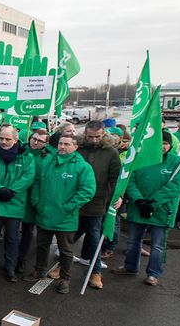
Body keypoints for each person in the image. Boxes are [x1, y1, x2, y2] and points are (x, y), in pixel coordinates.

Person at [112, 131, 180, 286]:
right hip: (138, 207)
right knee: (133, 241)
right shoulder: (139, 159)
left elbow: (175, 187)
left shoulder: (179, 163)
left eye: (165, 143)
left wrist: (153, 202)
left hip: (161, 209)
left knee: (158, 245)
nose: (162, 147)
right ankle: (130, 266)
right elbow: (130, 180)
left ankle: (153, 273)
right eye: (158, 143)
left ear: (170, 145)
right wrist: (140, 200)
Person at [24, 135, 96, 294]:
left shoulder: (82, 167)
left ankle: (65, 279)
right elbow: (36, 182)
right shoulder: (47, 161)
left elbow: (87, 191)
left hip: (65, 217)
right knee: (42, 245)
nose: (62, 147)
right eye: (61, 144)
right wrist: (37, 202)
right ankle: (39, 270)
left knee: (66, 250)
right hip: (44, 213)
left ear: (75, 147)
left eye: (67, 144)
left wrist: (68, 207)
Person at [0, 125, 35, 282]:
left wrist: (10, 190)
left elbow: (28, 177)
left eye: (7, 139)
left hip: (15, 203)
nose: (3, 142)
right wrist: (0, 189)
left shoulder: (26, 157)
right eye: (1, 138)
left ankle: (10, 267)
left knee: (12, 238)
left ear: (16, 139)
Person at [75, 121, 121, 290]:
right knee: (68, 237)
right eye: (90, 137)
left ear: (103, 135)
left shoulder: (111, 152)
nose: (94, 140)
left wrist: (118, 196)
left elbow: (116, 177)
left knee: (94, 238)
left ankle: (96, 271)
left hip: (98, 202)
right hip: (77, 202)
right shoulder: (79, 149)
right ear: (85, 135)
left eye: (97, 137)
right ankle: (62, 265)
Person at [18, 129, 51, 274]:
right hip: (16, 196)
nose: (35, 142)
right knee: (11, 232)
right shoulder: (20, 151)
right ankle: (12, 257)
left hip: (32, 199)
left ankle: (21, 259)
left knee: (27, 231)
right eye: (34, 138)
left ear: (46, 143)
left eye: (40, 140)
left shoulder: (48, 158)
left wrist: (38, 201)